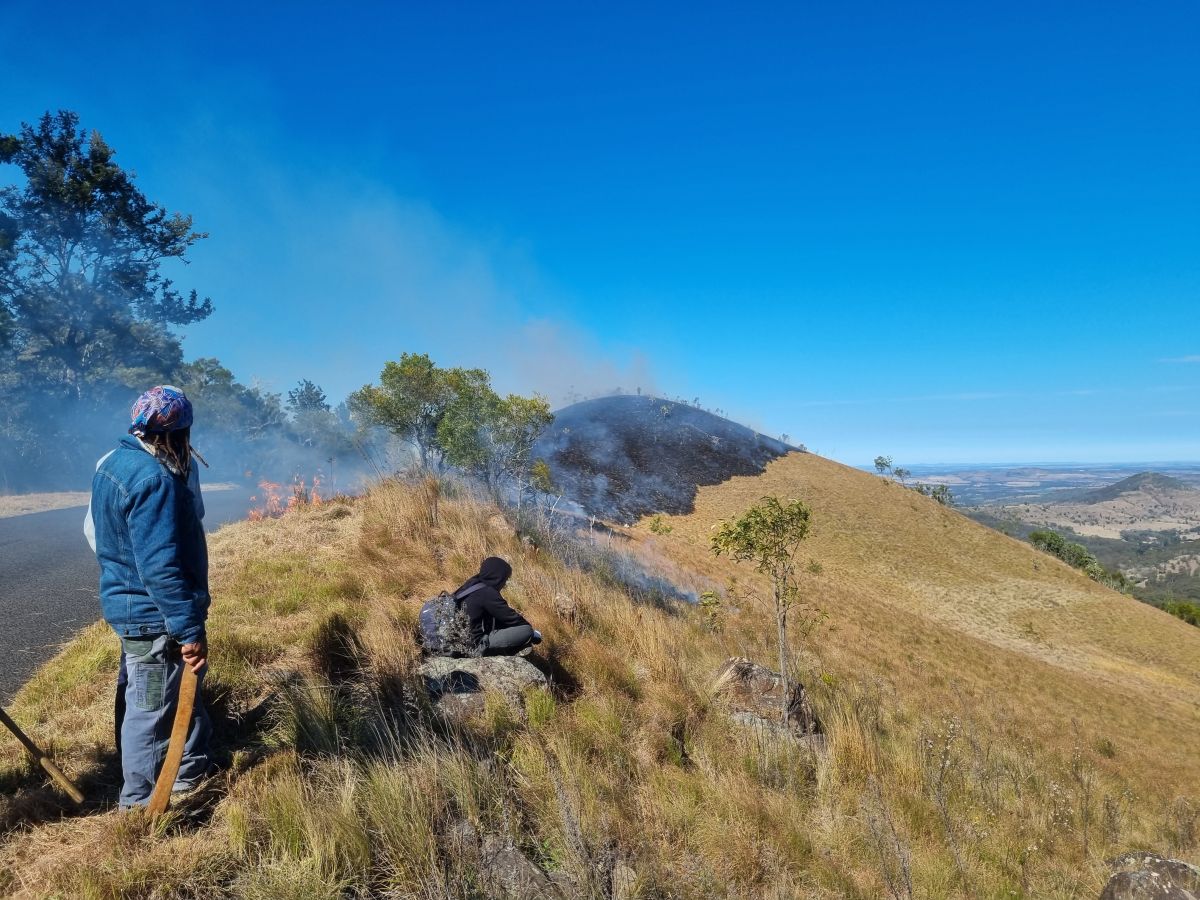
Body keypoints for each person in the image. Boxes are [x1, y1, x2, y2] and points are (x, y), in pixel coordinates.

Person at [86, 385, 212, 808]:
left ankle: (187, 770)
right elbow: (159, 567)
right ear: (176, 433)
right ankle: (139, 801)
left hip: (133, 608)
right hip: (152, 616)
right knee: (150, 706)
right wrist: (189, 628)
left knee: (168, 693)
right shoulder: (154, 480)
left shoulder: (114, 464)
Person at [455, 557, 542, 656]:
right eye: (505, 579)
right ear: (498, 577)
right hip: (473, 645)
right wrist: (533, 634)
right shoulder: (488, 593)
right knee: (526, 631)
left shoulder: (471, 584)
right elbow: (512, 618)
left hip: (457, 639)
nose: (504, 584)